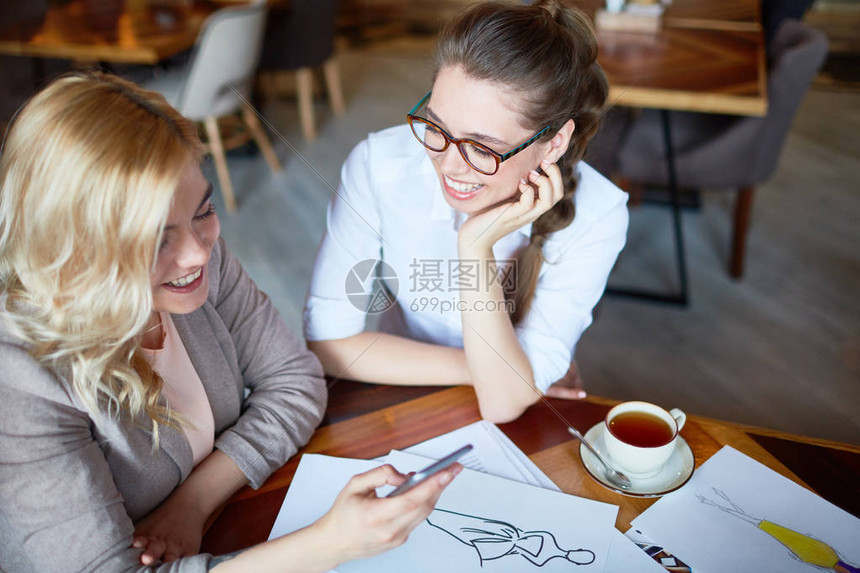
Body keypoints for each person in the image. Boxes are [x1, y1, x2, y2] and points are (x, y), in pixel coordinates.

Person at [0, 73, 460, 572]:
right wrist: (330, 544)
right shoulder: (19, 379)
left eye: (204, 211)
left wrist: (193, 503)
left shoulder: (195, 263)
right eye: (157, 241)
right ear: (72, 249)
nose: (199, 252)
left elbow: (295, 381)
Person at [304, 0, 629, 423]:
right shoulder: (378, 165)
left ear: (554, 143)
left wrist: (475, 246)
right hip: (399, 394)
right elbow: (327, 343)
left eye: (481, 147)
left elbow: (502, 405)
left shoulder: (599, 213)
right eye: (436, 126)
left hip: (433, 383)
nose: (449, 164)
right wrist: (496, 372)